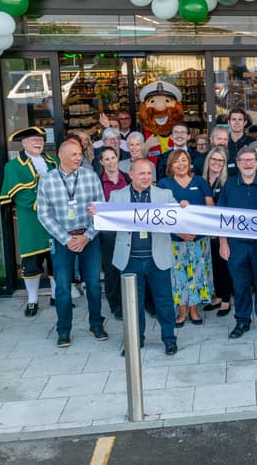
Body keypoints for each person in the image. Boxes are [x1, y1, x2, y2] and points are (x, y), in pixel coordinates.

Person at [102, 159, 180, 355]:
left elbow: (178, 218)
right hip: (130, 259)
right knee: (132, 304)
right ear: (131, 175)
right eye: (142, 173)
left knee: (164, 301)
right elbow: (108, 225)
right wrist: (98, 214)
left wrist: (182, 207)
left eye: (149, 174)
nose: (146, 177)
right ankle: (136, 341)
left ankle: (169, 339)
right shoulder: (116, 196)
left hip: (158, 258)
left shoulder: (164, 195)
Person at [36, 139, 104, 348]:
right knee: (63, 288)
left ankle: (96, 324)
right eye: (74, 154)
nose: (78, 158)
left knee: (93, 284)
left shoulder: (90, 176)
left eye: (79, 154)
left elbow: (101, 209)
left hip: (88, 237)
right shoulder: (47, 180)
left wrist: (87, 236)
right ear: (61, 156)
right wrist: (67, 239)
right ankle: (63, 330)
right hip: (62, 239)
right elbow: (44, 215)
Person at [218, 146, 257, 338]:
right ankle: (242, 321)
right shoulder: (230, 185)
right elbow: (221, 217)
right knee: (240, 285)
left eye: (251, 159)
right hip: (237, 245)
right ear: (238, 163)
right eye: (243, 160)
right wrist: (223, 243)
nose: (247, 164)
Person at [0, 127, 58, 317]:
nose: (38, 142)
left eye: (40, 139)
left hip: (55, 218)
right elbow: (19, 195)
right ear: (24, 143)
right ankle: (32, 300)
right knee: (31, 262)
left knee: (56, 260)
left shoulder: (53, 161)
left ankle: (56, 295)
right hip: (31, 221)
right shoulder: (13, 166)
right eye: (33, 139)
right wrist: (42, 204)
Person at [158, 149, 214, 327]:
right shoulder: (164, 184)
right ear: (171, 165)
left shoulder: (200, 181)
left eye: (183, 160)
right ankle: (181, 312)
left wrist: (198, 230)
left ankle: (194, 310)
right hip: (175, 240)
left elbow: (210, 209)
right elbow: (161, 213)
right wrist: (180, 233)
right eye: (176, 161)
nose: (180, 164)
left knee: (197, 275)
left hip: (199, 239)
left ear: (189, 162)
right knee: (178, 276)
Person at [96, 147, 127, 320]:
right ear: (101, 162)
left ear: (118, 158)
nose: (110, 162)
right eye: (106, 159)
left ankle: (136, 301)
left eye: (113, 157)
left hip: (128, 231)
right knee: (112, 269)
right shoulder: (98, 182)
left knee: (130, 266)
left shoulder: (128, 178)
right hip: (108, 233)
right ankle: (116, 305)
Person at [202, 147, 233, 317]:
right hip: (205, 229)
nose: (216, 163)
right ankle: (218, 296)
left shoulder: (227, 182)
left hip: (222, 229)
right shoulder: (201, 180)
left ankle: (226, 300)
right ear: (208, 160)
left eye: (220, 160)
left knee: (223, 265)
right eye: (214, 159)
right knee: (212, 264)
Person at [224, 108, 253, 176]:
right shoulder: (223, 142)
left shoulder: (252, 143)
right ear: (229, 122)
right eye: (234, 119)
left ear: (245, 123)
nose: (237, 122)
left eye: (240, 119)